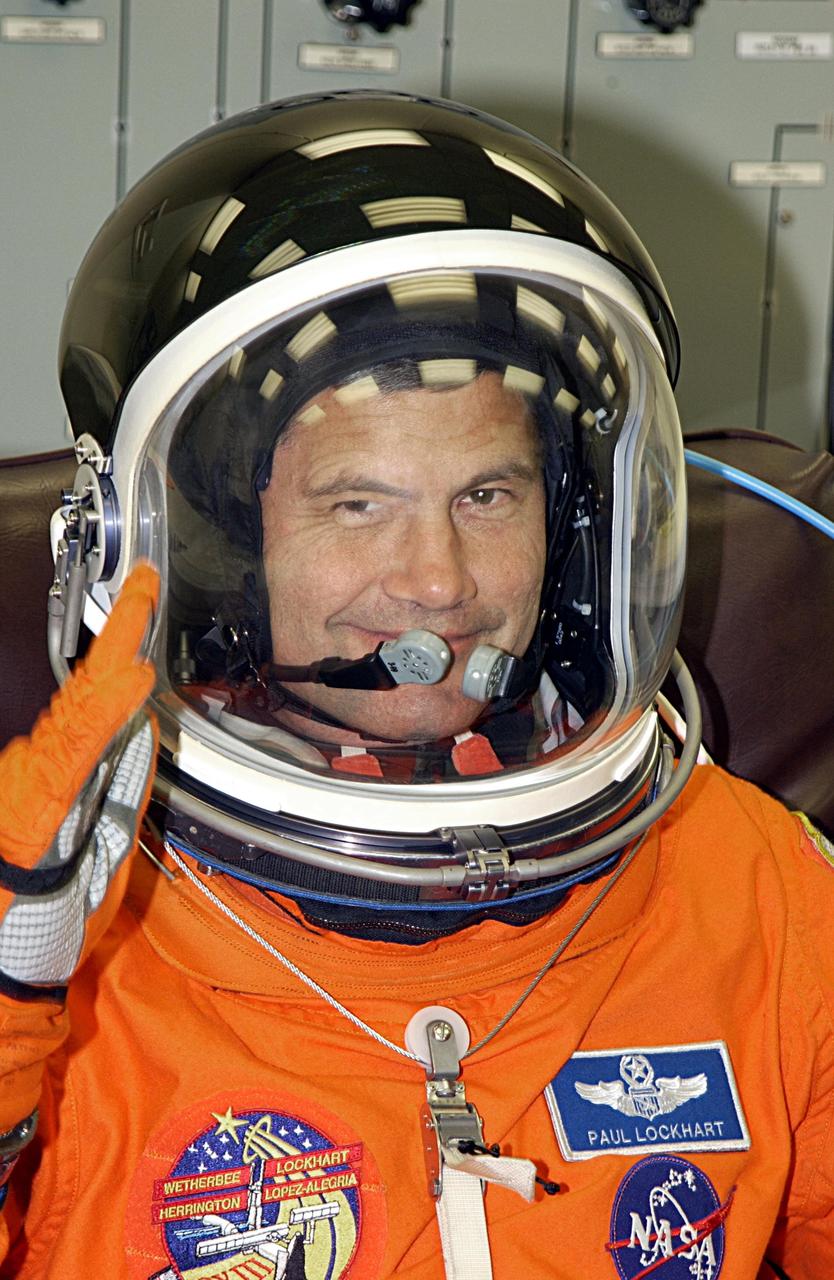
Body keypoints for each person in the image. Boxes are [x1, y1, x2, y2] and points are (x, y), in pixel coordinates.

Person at [0, 90, 833, 1280]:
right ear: (221, 543)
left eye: (487, 495)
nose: (438, 582)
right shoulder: (56, 925)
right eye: (357, 503)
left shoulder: (753, 888)